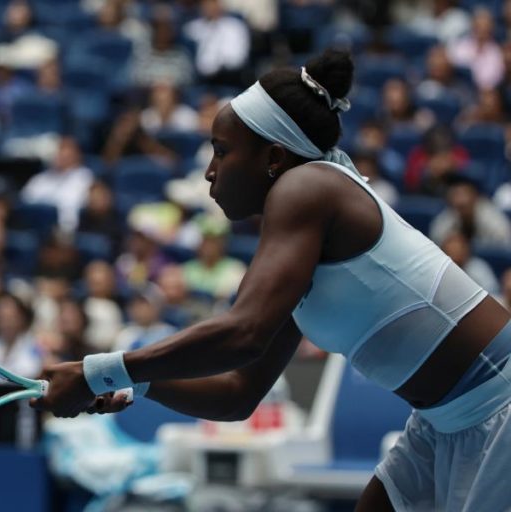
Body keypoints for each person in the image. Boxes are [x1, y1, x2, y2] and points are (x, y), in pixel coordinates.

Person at [32, 49, 511, 511]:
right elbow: (238, 392)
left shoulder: (307, 187)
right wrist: (138, 386)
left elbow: (243, 334)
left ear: (274, 159)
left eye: (222, 151)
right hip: (441, 423)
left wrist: (102, 369)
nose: (209, 172)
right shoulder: (295, 242)